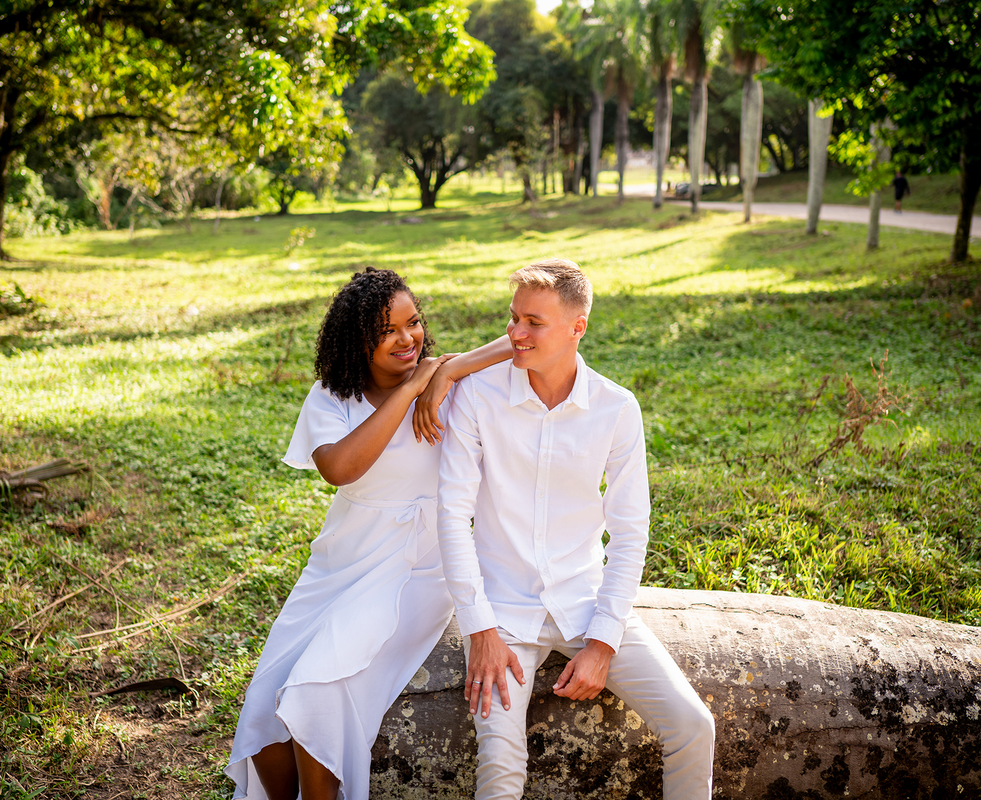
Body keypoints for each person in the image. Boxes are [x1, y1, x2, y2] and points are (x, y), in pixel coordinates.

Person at [225, 267, 511, 800]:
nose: (408, 338)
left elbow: (515, 340)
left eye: (414, 323)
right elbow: (340, 467)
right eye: (388, 331)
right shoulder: (331, 396)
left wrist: (439, 373)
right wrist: (412, 389)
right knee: (263, 703)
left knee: (317, 688)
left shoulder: (444, 380)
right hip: (341, 559)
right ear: (358, 342)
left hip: (418, 564)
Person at [436, 258, 716, 800]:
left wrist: (603, 642)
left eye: (533, 322)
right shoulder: (478, 396)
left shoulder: (615, 408)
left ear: (577, 327)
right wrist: (481, 631)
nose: (515, 333)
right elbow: (452, 516)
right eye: (513, 317)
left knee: (693, 727)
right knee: (500, 772)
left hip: (585, 602)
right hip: (502, 614)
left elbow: (631, 533)